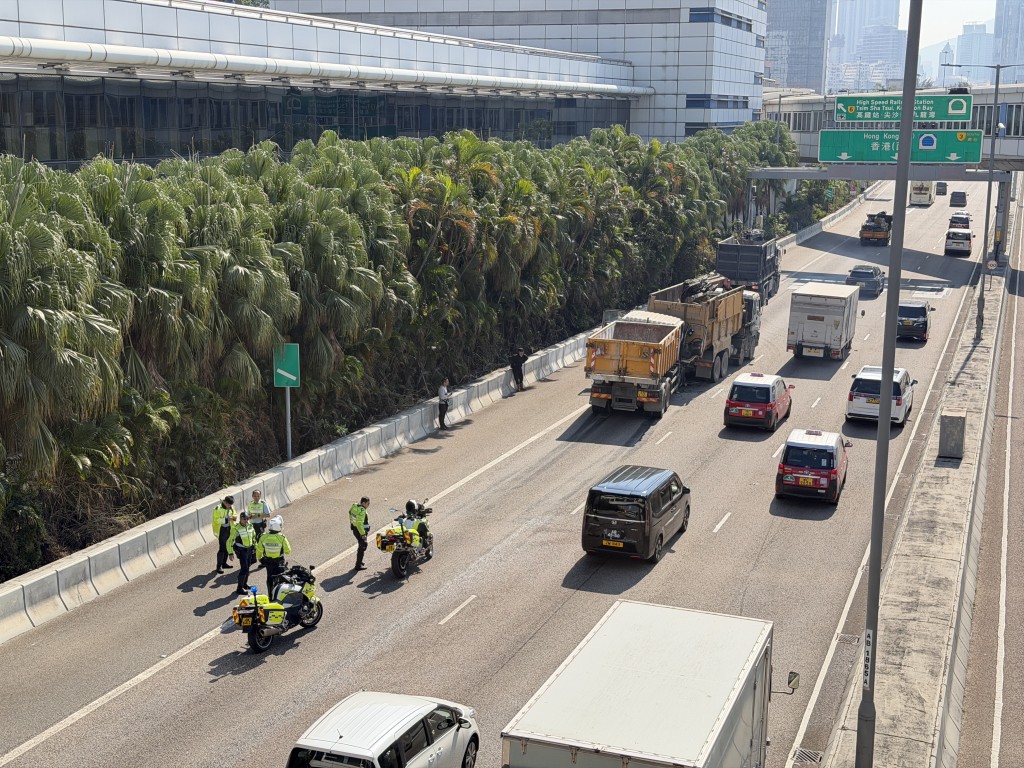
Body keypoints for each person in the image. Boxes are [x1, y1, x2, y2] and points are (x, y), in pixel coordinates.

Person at [256, 515, 291, 596]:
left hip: (268, 562)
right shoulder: (281, 538)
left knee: (269, 578)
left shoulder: (263, 537)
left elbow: (259, 551)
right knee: (282, 578)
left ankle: (270, 595)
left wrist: (260, 558)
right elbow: (288, 551)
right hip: (279, 562)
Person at [226, 511, 257, 595]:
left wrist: (255, 547)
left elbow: (254, 537)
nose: (246, 521)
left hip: (250, 549)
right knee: (244, 569)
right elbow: (229, 541)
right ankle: (239, 588)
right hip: (242, 551)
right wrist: (230, 553)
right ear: (240, 519)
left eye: (247, 519)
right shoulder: (236, 528)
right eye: (244, 519)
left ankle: (244, 584)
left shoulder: (250, 526)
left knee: (248, 567)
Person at [212, 496, 236, 574]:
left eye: (231, 505)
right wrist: (226, 519)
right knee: (222, 548)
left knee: (227, 546)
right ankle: (219, 566)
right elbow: (216, 520)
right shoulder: (217, 509)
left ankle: (224, 563)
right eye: (229, 505)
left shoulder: (231, 507)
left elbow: (234, 513)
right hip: (221, 530)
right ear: (225, 502)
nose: (230, 506)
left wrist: (234, 517)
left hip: (229, 529)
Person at [349, 496, 370, 571]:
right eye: (368, 503)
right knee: (362, 546)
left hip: (355, 529)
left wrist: (352, 523)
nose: (368, 505)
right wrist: (363, 534)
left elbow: (350, 513)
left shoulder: (355, 506)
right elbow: (360, 524)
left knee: (361, 546)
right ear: (363, 503)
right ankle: (358, 565)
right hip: (360, 531)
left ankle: (360, 561)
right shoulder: (362, 510)